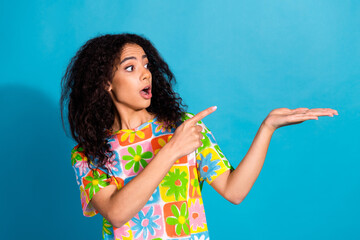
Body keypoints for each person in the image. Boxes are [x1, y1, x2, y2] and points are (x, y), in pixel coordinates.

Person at [60, 33, 338, 240]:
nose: (145, 74)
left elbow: (234, 190)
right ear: (106, 82)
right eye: (130, 67)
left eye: (146, 65)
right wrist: (171, 151)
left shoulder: (183, 127)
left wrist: (268, 128)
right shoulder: (89, 153)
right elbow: (116, 213)